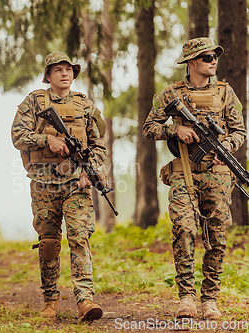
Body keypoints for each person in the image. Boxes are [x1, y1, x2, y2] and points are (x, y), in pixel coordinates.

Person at [143, 37, 246, 320]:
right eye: (206, 57)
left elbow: (240, 132)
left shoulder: (226, 93)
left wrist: (226, 147)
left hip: (218, 177)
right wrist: (175, 130)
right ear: (191, 63)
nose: (213, 61)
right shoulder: (171, 94)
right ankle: (186, 298)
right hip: (183, 174)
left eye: (215, 56)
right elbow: (149, 128)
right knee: (184, 230)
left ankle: (210, 299)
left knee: (217, 236)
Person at [11, 51, 107, 322]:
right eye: (59, 70)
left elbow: (99, 145)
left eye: (69, 69)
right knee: (50, 242)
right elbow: (17, 135)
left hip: (76, 182)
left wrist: (91, 170)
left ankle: (85, 300)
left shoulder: (84, 105)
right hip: (43, 182)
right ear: (48, 76)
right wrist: (46, 140)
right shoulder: (33, 101)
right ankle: (50, 301)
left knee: (79, 236)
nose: (65, 73)